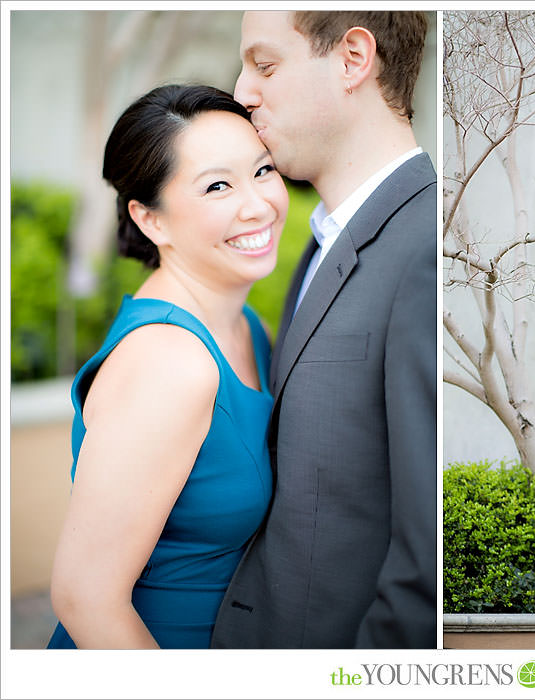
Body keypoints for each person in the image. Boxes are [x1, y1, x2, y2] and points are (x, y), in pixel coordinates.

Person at [210, 10, 436, 649]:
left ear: (353, 59)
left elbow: (424, 561)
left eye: (265, 64)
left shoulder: (425, 247)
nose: (243, 91)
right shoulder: (322, 244)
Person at [47, 84, 289, 648]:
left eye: (263, 170)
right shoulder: (169, 362)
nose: (257, 204)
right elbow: (86, 597)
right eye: (217, 186)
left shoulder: (247, 328)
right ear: (151, 219)